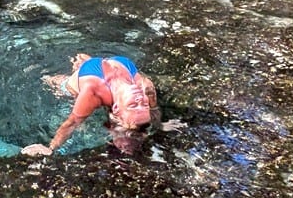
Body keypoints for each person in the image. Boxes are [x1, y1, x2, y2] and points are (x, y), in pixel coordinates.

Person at [21, 54, 182, 156]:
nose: (141, 99)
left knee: (58, 85)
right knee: (91, 66)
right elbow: (153, 108)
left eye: (134, 105)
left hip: (87, 84)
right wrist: (160, 124)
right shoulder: (146, 87)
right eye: (143, 105)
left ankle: (46, 75)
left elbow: (71, 124)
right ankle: (86, 63)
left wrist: (51, 148)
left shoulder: (92, 93)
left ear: (116, 108)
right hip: (106, 70)